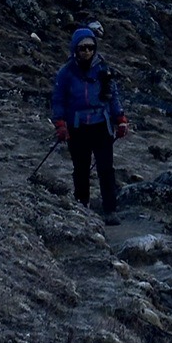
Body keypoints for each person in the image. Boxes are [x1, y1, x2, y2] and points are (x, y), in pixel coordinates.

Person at [51, 26, 128, 223]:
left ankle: (110, 209)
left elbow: (113, 96)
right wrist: (60, 124)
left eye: (90, 47)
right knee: (81, 168)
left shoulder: (103, 69)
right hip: (77, 127)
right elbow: (58, 100)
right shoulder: (66, 73)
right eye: (82, 47)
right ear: (74, 49)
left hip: (101, 125)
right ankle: (81, 205)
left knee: (106, 169)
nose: (87, 51)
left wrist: (120, 119)